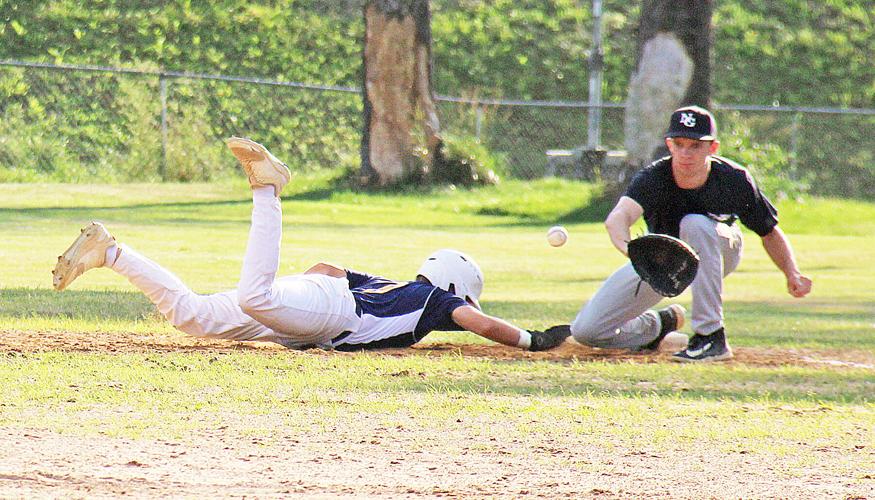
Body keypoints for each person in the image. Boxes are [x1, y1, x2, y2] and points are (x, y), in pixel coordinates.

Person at [51, 137, 569, 352]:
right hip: (324, 315)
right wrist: (533, 339)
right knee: (255, 297)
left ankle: (110, 252)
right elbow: (484, 325)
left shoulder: (397, 290)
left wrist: (294, 299)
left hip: (308, 313)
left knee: (192, 317)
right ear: (458, 287)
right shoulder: (437, 301)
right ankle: (268, 188)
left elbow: (326, 267)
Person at [570, 106, 812, 362]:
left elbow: (769, 232)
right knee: (588, 331)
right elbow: (617, 219)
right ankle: (657, 327)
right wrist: (635, 254)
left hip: (720, 251)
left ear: (713, 148)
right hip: (665, 262)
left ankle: (711, 336)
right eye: (679, 144)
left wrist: (792, 273)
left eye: (695, 145)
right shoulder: (654, 178)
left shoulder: (734, 179)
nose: (686, 153)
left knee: (694, 224)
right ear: (669, 145)